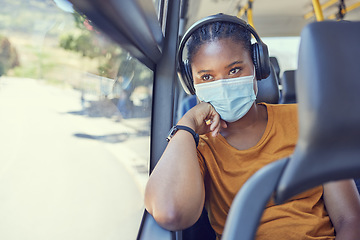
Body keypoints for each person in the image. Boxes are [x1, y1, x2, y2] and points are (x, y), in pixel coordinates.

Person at [144, 14, 360, 240]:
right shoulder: (197, 149)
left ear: (258, 67)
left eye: (235, 70)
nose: (223, 86)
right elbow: (171, 214)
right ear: (192, 84)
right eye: (207, 77)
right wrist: (186, 125)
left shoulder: (307, 119)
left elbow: (350, 219)